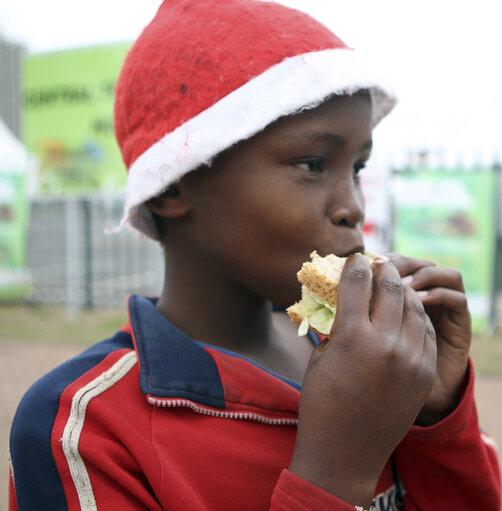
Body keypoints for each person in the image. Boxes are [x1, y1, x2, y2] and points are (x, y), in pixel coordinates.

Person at [8, 0, 501, 509]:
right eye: (312, 164)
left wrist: (436, 420)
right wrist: (336, 469)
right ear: (171, 186)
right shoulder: (87, 427)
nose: (353, 206)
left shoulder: (365, 356)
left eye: (357, 167)